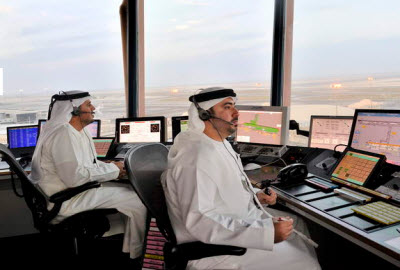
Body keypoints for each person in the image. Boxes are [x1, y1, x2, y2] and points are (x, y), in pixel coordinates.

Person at [161, 87, 321, 270]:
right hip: (217, 251)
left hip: (231, 226)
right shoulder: (196, 157)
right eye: (228, 107)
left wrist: (255, 196)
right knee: (306, 264)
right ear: (205, 114)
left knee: (297, 224)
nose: (237, 113)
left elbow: (225, 187)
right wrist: (266, 234)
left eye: (234, 106)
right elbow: (200, 220)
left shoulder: (217, 144)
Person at [29, 91, 146, 260]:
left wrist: (114, 168)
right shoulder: (63, 134)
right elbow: (75, 177)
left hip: (73, 191)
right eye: (88, 105)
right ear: (74, 110)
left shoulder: (78, 132)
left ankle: (128, 246)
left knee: (129, 189)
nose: (93, 108)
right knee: (137, 200)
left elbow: (88, 164)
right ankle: (136, 253)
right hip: (66, 199)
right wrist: (113, 170)